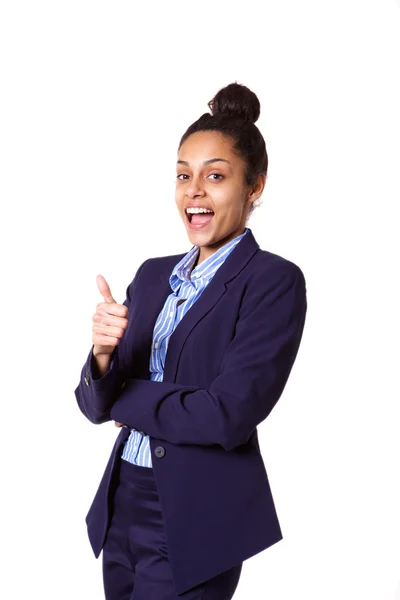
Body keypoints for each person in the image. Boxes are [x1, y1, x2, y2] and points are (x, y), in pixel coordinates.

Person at [74, 81, 308, 600]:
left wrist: (125, 395)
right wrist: (102, 356)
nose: (194, 191)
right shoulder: (153, 276)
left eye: (215, 176)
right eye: (184, 176)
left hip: (196, 516)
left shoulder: (272, 281)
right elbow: (93, 407)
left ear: (255, 186)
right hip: (121, 503)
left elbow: (227, 414)